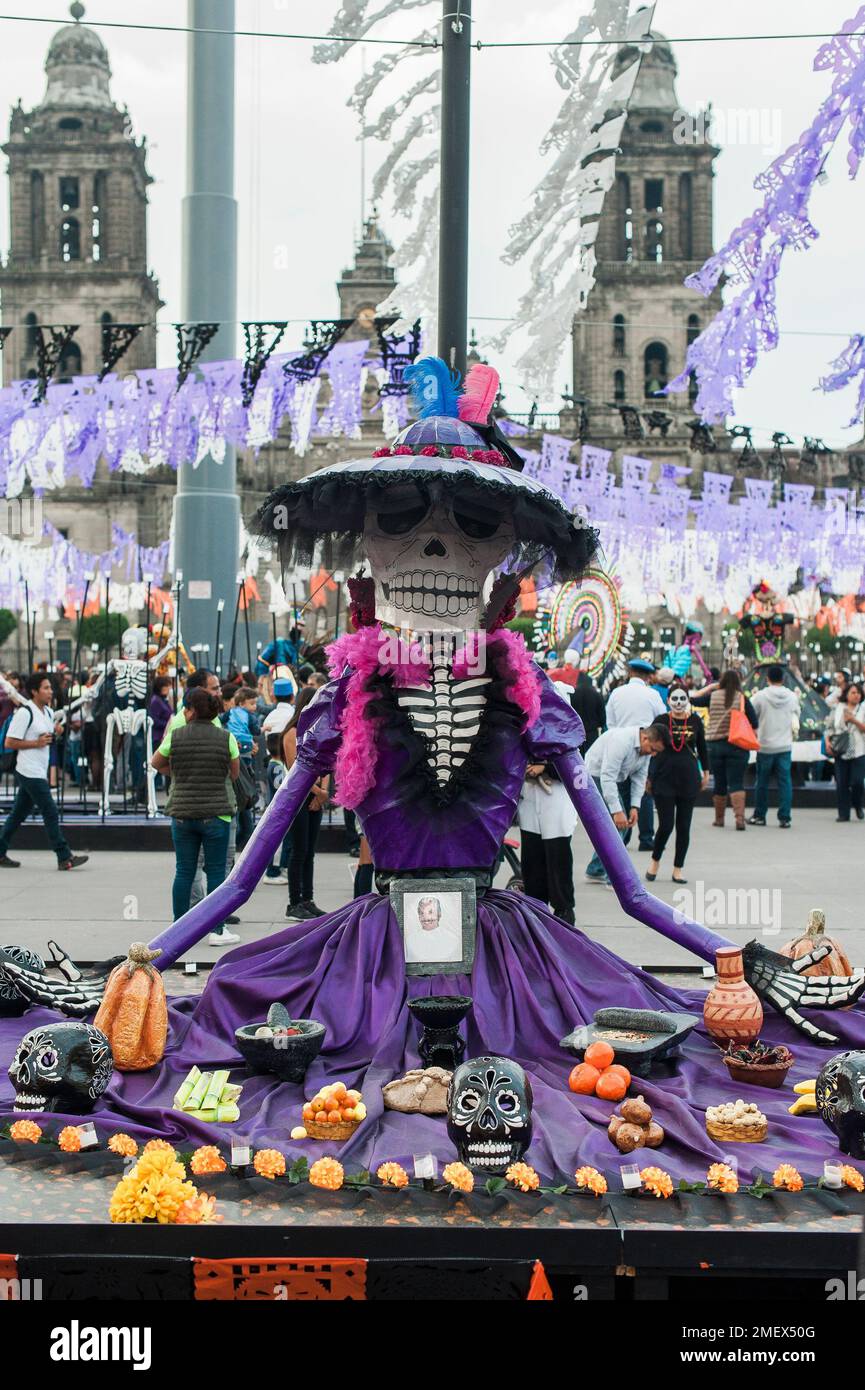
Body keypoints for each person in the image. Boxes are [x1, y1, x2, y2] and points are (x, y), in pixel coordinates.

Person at [151, 686, 241, 947]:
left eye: (185, 707)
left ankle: (178, 931)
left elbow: (156, 762)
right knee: (216, 872)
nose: (183, 711)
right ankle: (217, 929)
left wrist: (178, 773)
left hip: (182, 813)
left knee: (184, 871)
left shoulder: (175, 735)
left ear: (192, 711)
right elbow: (234, 773)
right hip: (216, 814)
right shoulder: (226, 737)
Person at [0, 673, 88, 871]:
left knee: (17, 814)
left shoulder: (47, 712)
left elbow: (46, 736)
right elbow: (10, 742)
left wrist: (56, 732)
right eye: (46, 688)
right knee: (50, 811)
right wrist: (36, 743)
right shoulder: (24, 713)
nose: (50, 692)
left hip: (39, 770)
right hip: (28, 771)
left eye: (50, 688)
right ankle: (64, 856)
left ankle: (0, 850)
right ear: (34, 691)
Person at [518, 683, 578, 923]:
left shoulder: (570, 730)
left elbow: (575, 763)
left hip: (556, 795)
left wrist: (547, 767)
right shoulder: (526, 725)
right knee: (532, 853)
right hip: (530, 795)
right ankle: (535, 905)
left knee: (558, 853)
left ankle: (564, 908)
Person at [583, 724, 665, 884]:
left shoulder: (646, 750)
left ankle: (596, 870)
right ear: (645, 738)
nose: (653, 754)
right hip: (594, 776)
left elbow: (639, 779)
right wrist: (616, 811)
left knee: (620, 826)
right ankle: (613, 878)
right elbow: (607, 776)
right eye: (653, 749)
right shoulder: (622, 741)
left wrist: (635, 807)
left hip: (614, 779)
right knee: (617, 828)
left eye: (657, 752)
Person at [645, 685, 708, 884]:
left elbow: (703, 748)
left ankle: (678, 868)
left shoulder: (695, 720)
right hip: (664, 778)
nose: (679, 703)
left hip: (689, 778)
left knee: (684, 825)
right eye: (675, 698)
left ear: (688, 699)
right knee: (666, 824)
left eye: (683, 698)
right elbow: (651, 750)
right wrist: (649, 776)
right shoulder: (661, 721)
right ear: (668, 700)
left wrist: (706, 772)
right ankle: (655, 860)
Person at [605, 658, 665, 851]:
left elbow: (610, 722)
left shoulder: (616, 693)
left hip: (621, 744)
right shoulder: (652, 694)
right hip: (647, 743)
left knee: (622, 789)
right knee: (643, 791)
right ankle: (647, 838)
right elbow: (660, 720)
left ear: (630, 673)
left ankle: (623, 836)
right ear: (648, 676)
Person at [282, 685, 330, 920]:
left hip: (315, 795)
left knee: (310, 851)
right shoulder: (291, 733)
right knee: (298, 851)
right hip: (299, 797)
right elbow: (294, 770)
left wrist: (323, 792)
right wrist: (318, 792)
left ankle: (308, 898)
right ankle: (294, 902)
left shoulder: (319, 730)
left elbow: (327, 762)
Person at [692, 669, 758, 830]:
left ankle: (719, 819)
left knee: (720, 783)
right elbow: (755, 723)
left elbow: (692, 699)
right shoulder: (742, 698)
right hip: (737, 746)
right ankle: (739, 819)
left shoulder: (713, 696)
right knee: (736, 782)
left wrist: (710, 687)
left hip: (714, 747)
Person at [747, 664, 799, 828]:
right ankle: (785, 817)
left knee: (762, 782)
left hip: (765, 745)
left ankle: (760, 815)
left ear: (767, 678)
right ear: (783, 679)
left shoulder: (760, 696)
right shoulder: (792, 696)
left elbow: (751, 715)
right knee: (785, 782)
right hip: (784, 746)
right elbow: (796, 715)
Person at [825, 680, 865, 822]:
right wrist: (827, 742)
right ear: (846, 694)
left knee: (857, 782)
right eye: (853, 692)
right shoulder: (838, 708)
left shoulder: (863, 708)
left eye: (858, 693)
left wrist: (853, 720)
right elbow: (829, 728)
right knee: (842, 783)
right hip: (841, 750)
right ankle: (843, 813)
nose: (856, 695)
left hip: (859, 750)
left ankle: (858, 804)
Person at [570, 666, 606, 752]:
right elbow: (603, 719)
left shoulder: (572, 694)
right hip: (592, 734)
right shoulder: (597, 695)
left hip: (576, 734)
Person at [148, 675, 174, 751]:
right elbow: (154, 720)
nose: (169, 688)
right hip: (158, 737)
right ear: (160, 687)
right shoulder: (156, 701)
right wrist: (168, 724)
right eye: (166, 686)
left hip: (163, 735)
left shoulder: (162, 700)